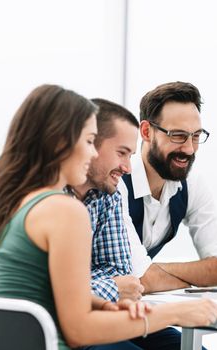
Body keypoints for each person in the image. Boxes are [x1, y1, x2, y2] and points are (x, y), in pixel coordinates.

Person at [0, 84, 217, 350]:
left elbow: (44, 290)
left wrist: (103, 303)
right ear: (61, 142)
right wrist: (176, 313)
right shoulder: (64, 210)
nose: (92, 152)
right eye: (89, 141)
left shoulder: (11, 199)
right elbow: (79, 331)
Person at [70, 98, 199, 349]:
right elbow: (53, 294)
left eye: (130, 155)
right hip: (52, 324)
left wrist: (107, 289)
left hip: (100, 314)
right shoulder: (53, 202)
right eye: (121, 153)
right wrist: (110, 288)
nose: (128, 168)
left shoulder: (109, 195)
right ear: (90, 145)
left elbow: (123, 276)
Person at [119, 81, 217, 290]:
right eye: (178, 136)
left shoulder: (191, 185)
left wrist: (153, 271)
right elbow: (144, 280)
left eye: (196, 136)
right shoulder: (117, 183)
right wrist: (148, 276)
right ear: (146, 132)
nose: (190, 149)